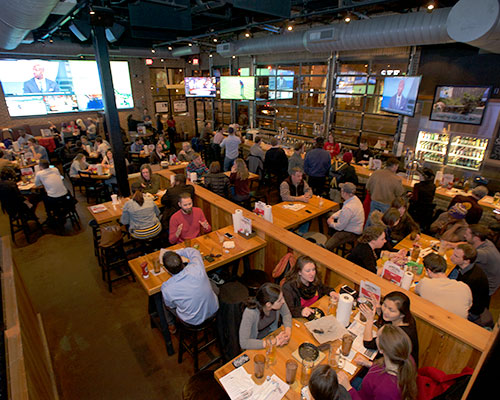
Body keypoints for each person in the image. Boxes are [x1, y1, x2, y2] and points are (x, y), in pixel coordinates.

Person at [338, 325, 418, 400]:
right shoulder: (405, 357)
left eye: (377, 337)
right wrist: (369, 364)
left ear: (381, 350)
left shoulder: (387, 391)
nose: (375, 338)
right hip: (365, 389)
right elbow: (382, 371)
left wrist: (348, 388)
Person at [161, 247, 219, 333]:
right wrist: (176, 252)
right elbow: (193, 251)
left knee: (164, 301)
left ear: (166, 269)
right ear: (182, 262)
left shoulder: (167, 288)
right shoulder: (196, 267)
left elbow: (171, 306)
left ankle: (171, 325)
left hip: (192, 321)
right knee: (209, 283)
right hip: (214, 310)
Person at [359, 291, 419, 366]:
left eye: (391, 310)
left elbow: (368, 344)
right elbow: (386, 320)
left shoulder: (397, 334)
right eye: (384, 305)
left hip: (396, 371)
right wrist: (378, 307)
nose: (385, 311)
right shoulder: (407, 319)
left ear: (402, 314)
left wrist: (370, 319)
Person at [416, 253, 472, 318]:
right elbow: (469, 305)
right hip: (460, 324)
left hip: (434, 322)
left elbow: (416, 290)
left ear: (428, 271)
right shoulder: (464, 287)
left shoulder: (425, 283)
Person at [239, 283, 292, 350]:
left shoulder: (277, 298)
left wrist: (287, 331)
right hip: (257, 343)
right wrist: (272, 342)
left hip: (272, 334)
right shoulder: (250, 313)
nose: (283, 301)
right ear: (268, 304)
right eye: (280, 300)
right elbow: (244, 343)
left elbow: (286, 314)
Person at [449, 244, 490, 323]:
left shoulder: (471, 279)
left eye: (456, 256)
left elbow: (458, 299)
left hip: (472, 311)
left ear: (466, 261)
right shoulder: (465, 267)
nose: (451, 257)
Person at [326, 182, 364, 251]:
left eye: (341, 190)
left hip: (351, 232)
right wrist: (333, 216)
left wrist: (331, 223)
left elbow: (340, 227)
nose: (341, 192)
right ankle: (332, 234)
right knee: (330, 215)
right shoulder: (355, 199)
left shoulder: (348, 208)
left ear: (345, 193)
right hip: (356, 228)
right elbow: (342, 211)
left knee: (327, 246)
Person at [465, 224, 500, 297]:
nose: (464, 235)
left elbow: (460, 260)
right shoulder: (486, 242)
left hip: (487, 287)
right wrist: (450, 244)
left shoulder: (482, 253)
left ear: (475, 238)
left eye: (467, 234)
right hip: (486, 279)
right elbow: (465, 245)